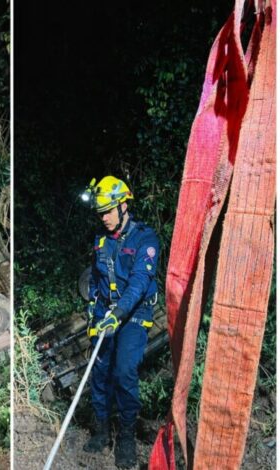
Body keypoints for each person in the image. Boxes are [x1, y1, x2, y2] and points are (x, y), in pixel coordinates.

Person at [80, 176, 159, 469]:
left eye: (108, 211)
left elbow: (139, 282)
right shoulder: (100, 240)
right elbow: (95, 278)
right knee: (100, 371)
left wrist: (119, 314)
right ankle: (102, 430)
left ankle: (126, 436)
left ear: (123, 206)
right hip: (105, 312)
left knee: (124, 370)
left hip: (134, 313)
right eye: (100, 213)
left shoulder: (145, 239)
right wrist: (94, 308)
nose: (103, 218)